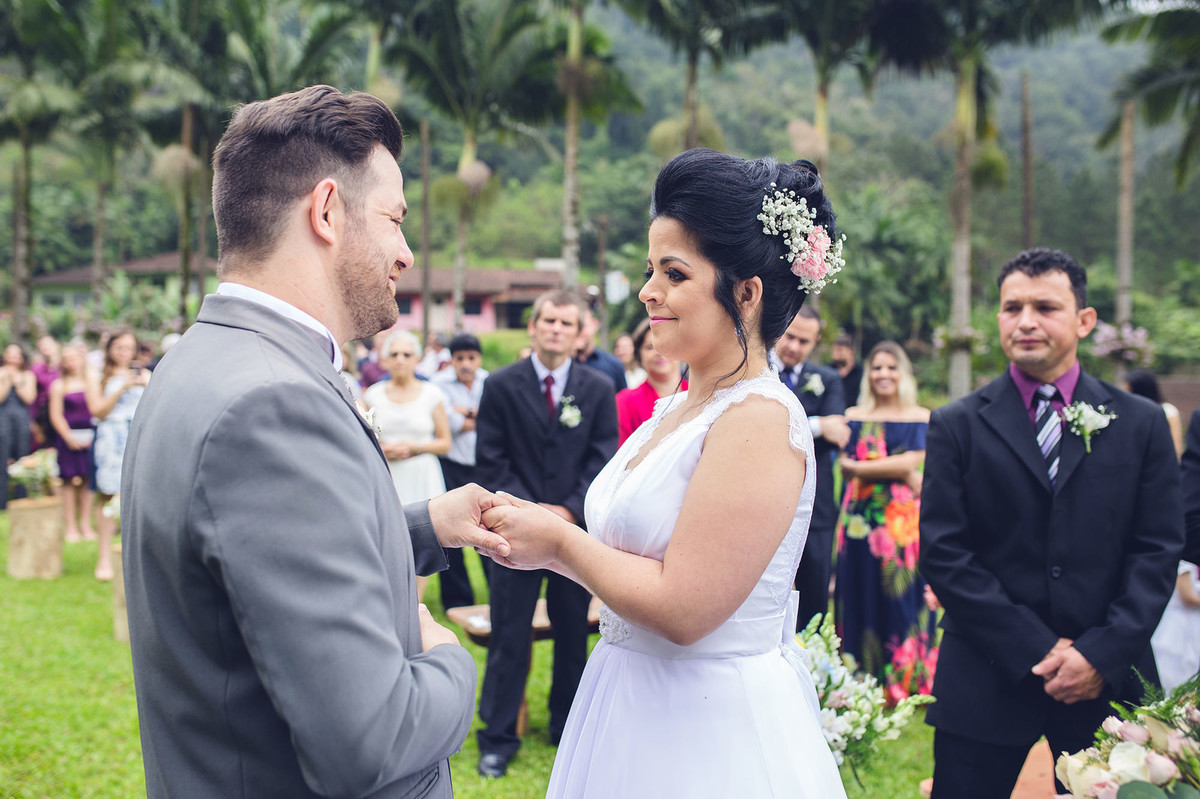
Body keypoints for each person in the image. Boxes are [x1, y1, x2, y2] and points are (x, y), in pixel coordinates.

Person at [120, 85, 512, 799]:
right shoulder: (274, 403)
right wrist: (448, 656)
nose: (406, 251)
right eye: (394, 219)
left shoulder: (201, 357)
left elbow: (257, 554)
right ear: (327, 211)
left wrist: (423, 528)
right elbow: (372, 742)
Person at [480, 149, 847, 797]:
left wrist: (561, 543)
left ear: (746, 292)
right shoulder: (676, 406)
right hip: (628, 697)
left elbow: (685, 608)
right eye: (650, 269)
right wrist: (539, 540)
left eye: (674, 273)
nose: (648, 290)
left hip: (706, 721)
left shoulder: (758, 417)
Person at [919, 247, 1183, 799]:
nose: (1027, 321)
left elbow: (1157, 550)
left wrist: (1099, 654)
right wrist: (1036, 648)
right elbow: (944, 552)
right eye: (1012, 307)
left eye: (1046, 306)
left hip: (1107, 681)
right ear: (998, 318)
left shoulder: (1142, 424)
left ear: (1084, 320)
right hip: (986, 673)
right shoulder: (956, 424)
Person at [473, 289, 619, 779]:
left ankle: (567, 724)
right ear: (533, 327)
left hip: (573, 535)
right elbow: (491, 460)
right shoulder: (499, 385)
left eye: (566, 323)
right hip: (511, 534)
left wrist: (565, 513)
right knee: (508, 632)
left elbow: (603, 458)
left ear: (580, 334)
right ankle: (496, 737)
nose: (556, 329)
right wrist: (530, 514)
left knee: (573, 630)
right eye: (548, 320)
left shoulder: (598, 388)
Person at [834, 341, 932, 681]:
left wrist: (867, 468)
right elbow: (845, 465)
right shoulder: (853, 417)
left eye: (891, 367)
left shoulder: (922, 417)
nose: (883, 374)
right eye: (877, 367)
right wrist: (901, 471)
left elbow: (913, 460)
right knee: (858, 587)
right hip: (859, 520)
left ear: (902, 373)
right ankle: (859, 672)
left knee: (900, 591)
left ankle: (903, 676)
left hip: (901, 523)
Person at [772, 305, 849, 627]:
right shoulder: (756, 371)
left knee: (815, 590)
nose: (794, 346)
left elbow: (838, 433)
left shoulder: (827, 379)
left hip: (813, 503)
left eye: (804, 342)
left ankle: (814, 662)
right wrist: (816, 425)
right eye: (790, 336)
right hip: (761, 496)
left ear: (815, 343)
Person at [364, 329, 452, 600]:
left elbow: (445, 442)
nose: (400, 359)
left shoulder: (431, 394)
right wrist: (382, 449)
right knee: (387, 536)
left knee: (422, 537)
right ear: (384, 359)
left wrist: (415, 447)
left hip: (421, 473)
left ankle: (415, 602)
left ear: (417, 359)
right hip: (388, 474)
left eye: (406, 354)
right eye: (394, 354)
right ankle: (389, 597)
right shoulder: (373, 395)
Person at [432, 332, 489, 609]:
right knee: (448, 531)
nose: (466, 364)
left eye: (471, 358)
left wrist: (463, 413)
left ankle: (498, 591)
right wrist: (475, 415)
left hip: (483, 466)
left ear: (479, 359)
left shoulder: (489, 381)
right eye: (459, 358)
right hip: (450, 466)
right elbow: (449, 423)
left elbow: (492, 420)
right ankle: (457, 600)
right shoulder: (437, 384)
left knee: (489, 529)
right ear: (451, 360)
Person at [86, 329, 149, 581]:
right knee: (108, 495)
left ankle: (135, 559)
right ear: (110, 348)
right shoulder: (98, 375)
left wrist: (146, 383)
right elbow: (98, 410)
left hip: (138, 435)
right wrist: (122, 386)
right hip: (111, 439)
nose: (124, 352)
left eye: (129, 347)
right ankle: (104, 557)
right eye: (119, 347)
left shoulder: (145, 373)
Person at [48, 343, 96, 543]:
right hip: (69, 439)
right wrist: (68, 437)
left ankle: (85, 523)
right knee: (68, 482)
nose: (71, 362)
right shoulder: (59, 385)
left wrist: (93, 435)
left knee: (87, 480)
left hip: (90, 436)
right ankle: (70, 525)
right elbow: (56, 415)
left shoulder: (91, 381)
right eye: (66, 359)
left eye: (73, 358)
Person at [614, 318, 687, 445]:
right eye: (650, 347)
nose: (659, 352)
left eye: (666, 343)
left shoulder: (702, 394)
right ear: (639, 356)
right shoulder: (624, 402)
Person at [1150, 561, 1200, 693]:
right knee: (1175, 666)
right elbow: (1187, 597)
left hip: (1191, 622)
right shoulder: (1185, 563)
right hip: (1178, 624)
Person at [0, 343, 37, 508]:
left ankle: (22, 498)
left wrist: (16, 380)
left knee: (23, 456)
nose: (13, 358)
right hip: (3, 419)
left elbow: (29, 398)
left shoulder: (28, 375)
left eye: (17, 354)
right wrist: (6, 380)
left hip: (21, 420)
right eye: (10, 354)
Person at [1124, 368, 1184, 458]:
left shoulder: (1168, 411)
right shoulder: (1127, 412)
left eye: (1129, 390)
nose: (1125, 394)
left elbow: (1176, 446)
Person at [575, 304, 627, 392]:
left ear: (595, 324)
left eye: (583, 325)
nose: (579, 331)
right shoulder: (562, 365)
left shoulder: (613, 365)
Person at [831, 333, 863, 408]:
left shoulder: (861, 372)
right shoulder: (829, 370)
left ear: (851, 351)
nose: (835, 354)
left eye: (839, 350)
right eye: (834, 351)